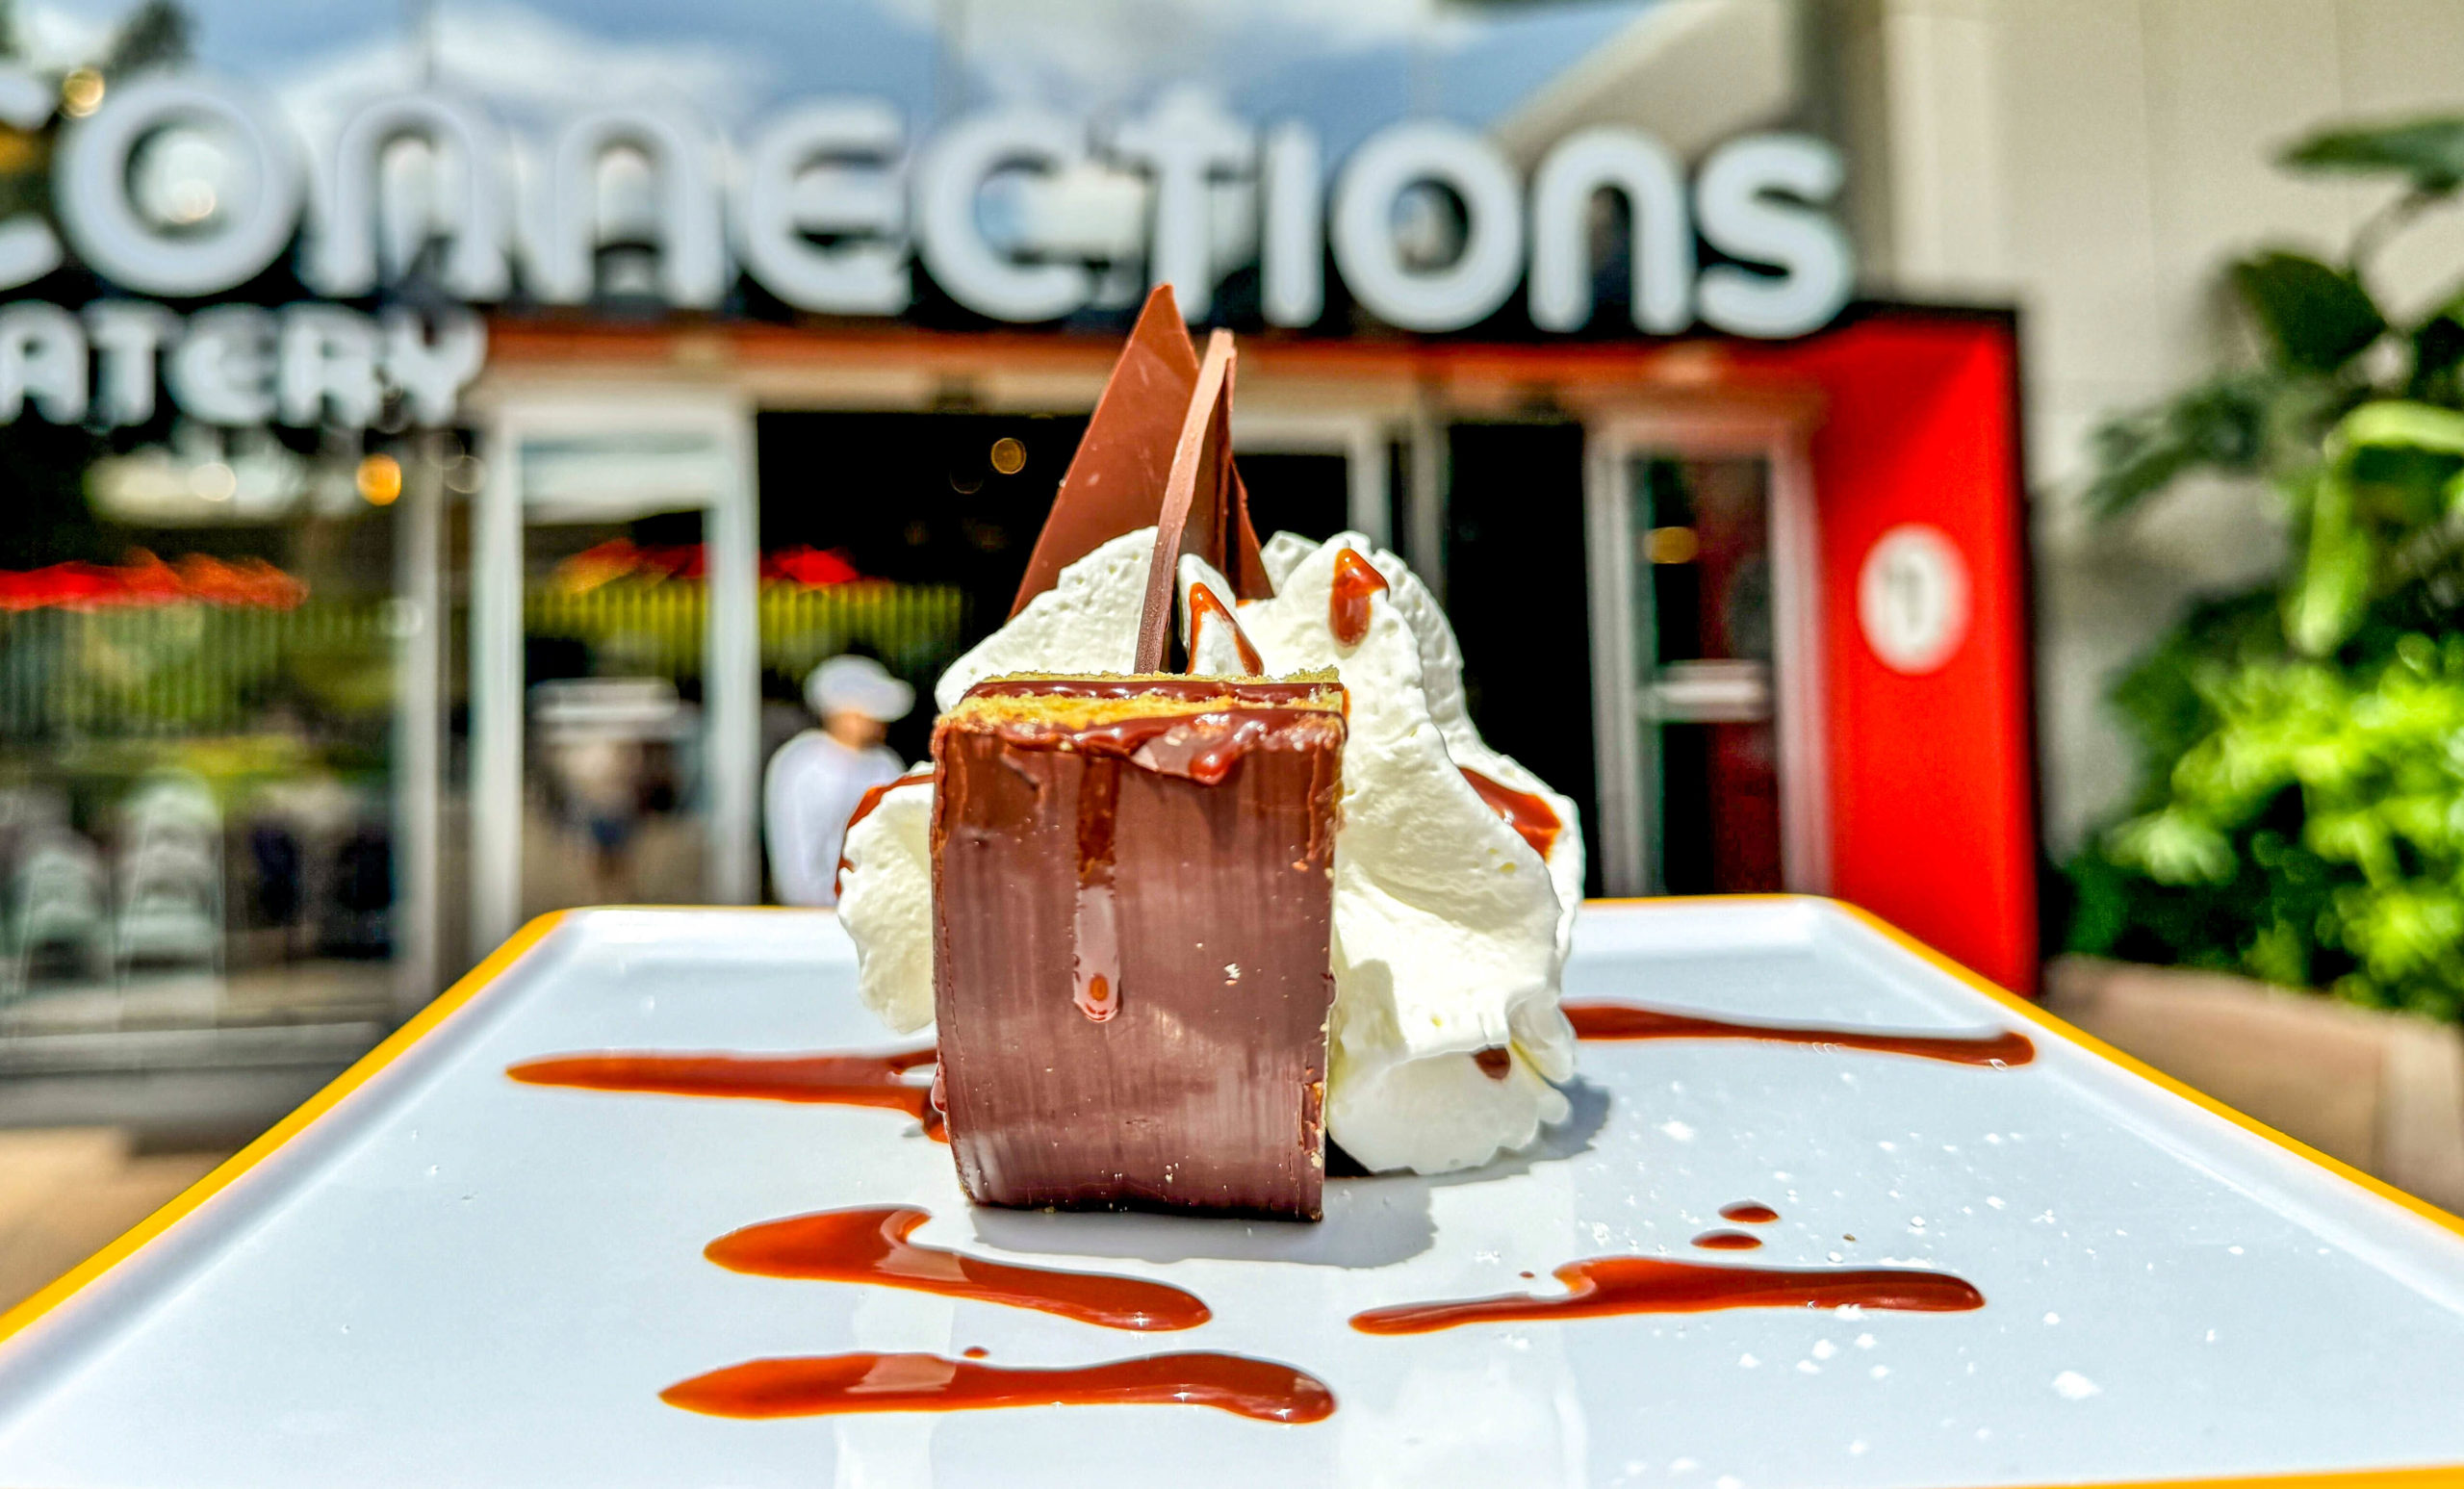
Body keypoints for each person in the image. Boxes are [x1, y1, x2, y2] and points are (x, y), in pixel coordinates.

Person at [765, 655, 913, 907]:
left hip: (872, 907)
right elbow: (794, 844)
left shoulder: (884, 763)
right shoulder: (801, 762)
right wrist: (808, 901)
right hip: (811, 910)